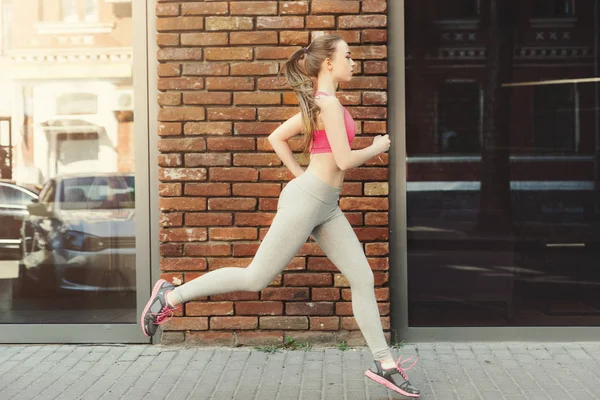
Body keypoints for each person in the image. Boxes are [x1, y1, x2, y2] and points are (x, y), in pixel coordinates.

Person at [141, 34, 420, 398]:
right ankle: (170, 296)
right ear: (329, 64)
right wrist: (377, 147)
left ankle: (385, 364)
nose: (354, 63)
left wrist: (303, 178)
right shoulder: (328, 105)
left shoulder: (323, 103)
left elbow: (277, 137)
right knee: (256, 277)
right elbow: (345, 160)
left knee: (362, 279)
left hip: (325, 205)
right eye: (348, 57)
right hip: (307, 201)